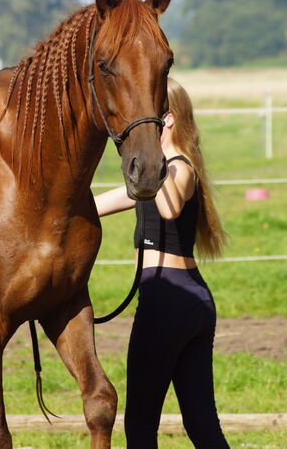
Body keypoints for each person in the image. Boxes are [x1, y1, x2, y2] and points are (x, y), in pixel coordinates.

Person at [95, 77, 230, 449]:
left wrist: (153, 151)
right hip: (189, 300)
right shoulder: (155, 176)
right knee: (202, 424)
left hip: (166, 301)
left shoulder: (179, 167)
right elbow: (99, 204)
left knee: (139, 427)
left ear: (166, 119)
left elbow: (170, 207)